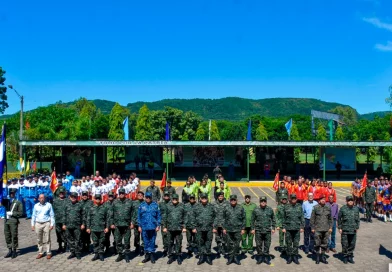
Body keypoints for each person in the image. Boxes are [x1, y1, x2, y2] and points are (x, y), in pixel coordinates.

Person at [192, 193, 216, 265]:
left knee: (208, 242)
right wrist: (193, 227)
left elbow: (215, 217)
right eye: (203, 198)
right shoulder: (196, 206)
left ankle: (208, 256)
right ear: (200, 198)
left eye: (205, 198)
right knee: (200, 242)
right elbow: (193, 217)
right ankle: (201, 257)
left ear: (207, 198)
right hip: (199, 228)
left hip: (209, 228)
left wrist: (214, 227)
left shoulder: (211, 206)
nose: (204, 199)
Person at [251, 196, 276, 265]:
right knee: (258, 245)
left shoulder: (270, 209)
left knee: (267, 245)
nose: (263, 202)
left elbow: (273, 219)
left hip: (267, 231)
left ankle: (265, 258)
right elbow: (252, 220)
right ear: (260, 202)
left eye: (264, 201)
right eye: (262, 201)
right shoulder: (256, 209)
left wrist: (273, 228)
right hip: (258, 231)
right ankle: (260, 257)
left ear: (266, 202)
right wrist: (252, 228)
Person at [138, 192, 161, 264]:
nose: (148, 199)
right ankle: (147, 255)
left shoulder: (155, 205)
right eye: (146, 197)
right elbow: (139, 216)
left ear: (151, 198)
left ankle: (152, 255)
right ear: (145, 197)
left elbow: (159, 216)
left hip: (153, 227)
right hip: (144, 227)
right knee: (145, 242)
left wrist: (158, 225)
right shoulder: (141, 205)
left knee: (152, 241)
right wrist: (139, 226)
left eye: (149, 197)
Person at [111, 188, 134, 263]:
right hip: (117, 225)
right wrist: (111, 223)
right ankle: (120, 254)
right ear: (118, 194)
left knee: (127, 241)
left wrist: (132, 222)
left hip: (126, 225)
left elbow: (133, 213)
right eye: (120, 193)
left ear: (125, 194)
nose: (121, 194)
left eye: (122, 193)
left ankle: (127, 255)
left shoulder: (129, 202)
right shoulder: (115, 202)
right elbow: (111, 213)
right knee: (118, 241)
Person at [86, 194, 111, 262]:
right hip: (93, 228)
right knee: (95, 242)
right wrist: (88, 227)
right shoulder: (91, 208)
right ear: (94, 199)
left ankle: (101, 254)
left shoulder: (104, 208)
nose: (98, 200)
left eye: (99, 199)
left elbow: (107, 219)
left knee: (102, 242)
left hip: (102, 229)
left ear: (101, 200)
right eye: (96, 199)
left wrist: (107, 227)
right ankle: (96, 254)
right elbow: (88, 219)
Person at [163, 193, 186, 265]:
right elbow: (165, 217)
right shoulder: (168, 206)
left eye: (176, 199)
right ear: (172, 199)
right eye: (173, 199)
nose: (175, 200)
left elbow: (185, 216)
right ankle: (171, 256)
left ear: (178, 199)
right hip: (170, 228)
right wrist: (164, 227)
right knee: (170, 243)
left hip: (179, 229)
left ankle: (178, 256)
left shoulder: (182, 206)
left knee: (179, 243)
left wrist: (184, 227)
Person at [223, 194, 246, 265]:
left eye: (234, 200)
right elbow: (223, 218)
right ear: (230, 200)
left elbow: (244, 219)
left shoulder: (240, 208)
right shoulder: (226, 207)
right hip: (229, 229)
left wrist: (243, 228)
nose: (233, 201)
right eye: (231, 200)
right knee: (229, 244)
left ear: (237, 200)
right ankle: (230, 257)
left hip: (238, 229)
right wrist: (224, 228)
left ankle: (235, 257)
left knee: (237, 244)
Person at [31, 194, 55, 259]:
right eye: (40, 198)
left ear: (45, 198)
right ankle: (40, 252)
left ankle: (49, 252)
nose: (42, 199)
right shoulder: (36, 206)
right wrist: (32, 225)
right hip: (38, 224)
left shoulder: (49, 205)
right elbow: (33, 215)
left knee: (47, 239)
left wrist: (52, 224)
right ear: (38, 199)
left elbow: (52, 215)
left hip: (46, 223)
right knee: (39, 239)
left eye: (43, 198)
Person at [282, 194, 304, 265]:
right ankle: (289, 257)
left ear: (296, 199)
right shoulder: (286, 207)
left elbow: (302, 217)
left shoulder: (299, 206)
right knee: (288, 243)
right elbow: (283, 218)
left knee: (296, 243)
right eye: (292, 198)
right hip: (288, 228)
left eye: (295, 198)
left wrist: (302, 227)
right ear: (290, 199)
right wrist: (283, 227)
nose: (293, 199)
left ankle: (295, 256)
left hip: (297, 228)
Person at [310, 195, 332, 264]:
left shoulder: (328, 207)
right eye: (322, 199)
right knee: (317, 244)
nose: (323, 200)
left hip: (326, 229)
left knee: (324, 244)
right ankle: (317, 257)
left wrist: (330, 227)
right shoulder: (315, 208)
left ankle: (323, 257)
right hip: (317, 229)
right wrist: (312, 228)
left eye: (324, 199)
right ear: (319, 200)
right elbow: (312, 219)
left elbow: (330, 219)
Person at [338, 196, 360, 264]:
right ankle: (345, 256)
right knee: (344, 244)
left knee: (352, 244)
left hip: (353, 230)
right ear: (346, 201)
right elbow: (339, 219)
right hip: (345, 229)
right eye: (349, 201)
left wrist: (357, 227)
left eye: (352, 200)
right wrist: (340, 228)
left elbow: (358, 219)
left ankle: (350, 256)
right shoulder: (343, 209)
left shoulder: (356, 209)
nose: (350, 202)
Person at [3, 188, 23, 259]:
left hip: (13, 221)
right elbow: (1, 202)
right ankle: (10, 250)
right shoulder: (7, 201)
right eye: (10, 193)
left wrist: (13, 213)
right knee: (7, 235)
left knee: (14, 235)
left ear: (15, 193)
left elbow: (21, 213)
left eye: (13, 193)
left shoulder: (18, 202)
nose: (12, 194)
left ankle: (14, 250)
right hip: (6, 221)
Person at [64, 192, 84, 260]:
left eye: (74, 197)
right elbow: (64, 215)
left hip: (77, 226)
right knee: (70, 240)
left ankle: (78, 253)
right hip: (68, 225)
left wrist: (83, 224)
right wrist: (64, 224)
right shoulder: (67, 205)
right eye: (72, 196)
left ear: (77, 197)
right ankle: (72, 252)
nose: (73, 198)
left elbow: (83, 215)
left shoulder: (80, 205)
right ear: (70, 197)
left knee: (78, 240)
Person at [52, 187, 70, 254]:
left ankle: (66, 246)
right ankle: (60, 246)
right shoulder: (55, 201)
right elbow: (53, 210)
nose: (61, 194)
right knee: (58, 234)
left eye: (62, 193)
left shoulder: (67, 200)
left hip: (65, 221)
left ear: (64, 193)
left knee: (65, 234)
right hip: (58, 220)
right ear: (58, 193)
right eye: (60, 193)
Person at [213, 191, 229, 256]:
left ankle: (224, 249)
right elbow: (212, 214)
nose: (220, 197)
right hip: (216, 224)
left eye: (222, 196)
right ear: (217, 197)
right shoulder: (214, 204)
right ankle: (219, 249)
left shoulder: (227, 203)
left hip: (224, 224)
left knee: (225, 237)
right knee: (217, 237)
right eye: (219, 196)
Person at [132, 191, 145, 256]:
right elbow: (131, 213)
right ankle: (137, 247)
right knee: (136, 236)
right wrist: (132, 222)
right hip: (136, 223)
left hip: (143, 223)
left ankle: (142, 248)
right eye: (139, 195)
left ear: (143, 196)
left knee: (143, 236)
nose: (140, 196)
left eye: (141, 195)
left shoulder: (145, 203)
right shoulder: (134, 203)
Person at [159, 191, 171, 257]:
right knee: (164, 236)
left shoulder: (171, 203)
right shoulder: (161, 204)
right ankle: (165, 248)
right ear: (163, 196)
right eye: (165, 195)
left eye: (167, 195)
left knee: (170, 236)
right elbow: (158, 213)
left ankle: (170, 248)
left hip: (170, 222)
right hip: (163, 222)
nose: (166, 197)